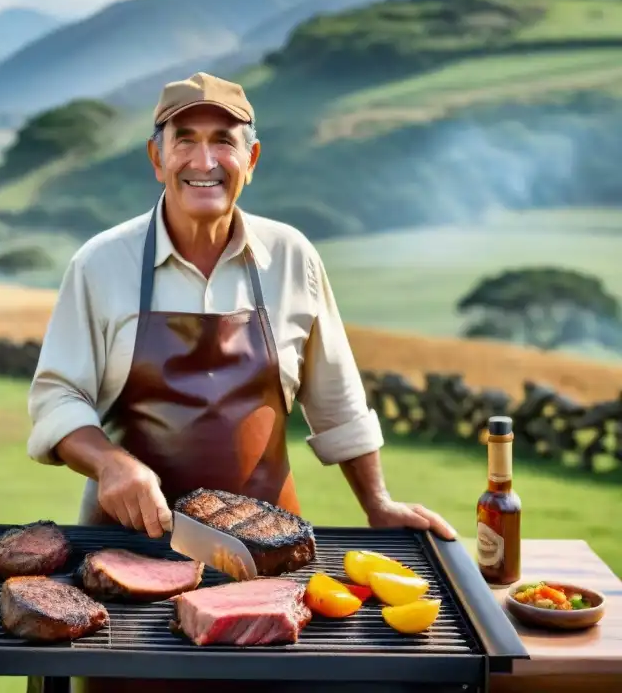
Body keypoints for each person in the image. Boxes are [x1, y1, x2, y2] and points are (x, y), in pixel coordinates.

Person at [25, 72, 456, 693]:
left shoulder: (293, 257)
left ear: (250, 159)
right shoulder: (101, 263)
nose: (205, 161)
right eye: (185, 140)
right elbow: (58, 396)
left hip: (270, 553)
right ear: (157, 157)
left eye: (224, 141)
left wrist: (378, 503)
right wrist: (112, 463)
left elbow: (335, 399)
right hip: (131, 555)